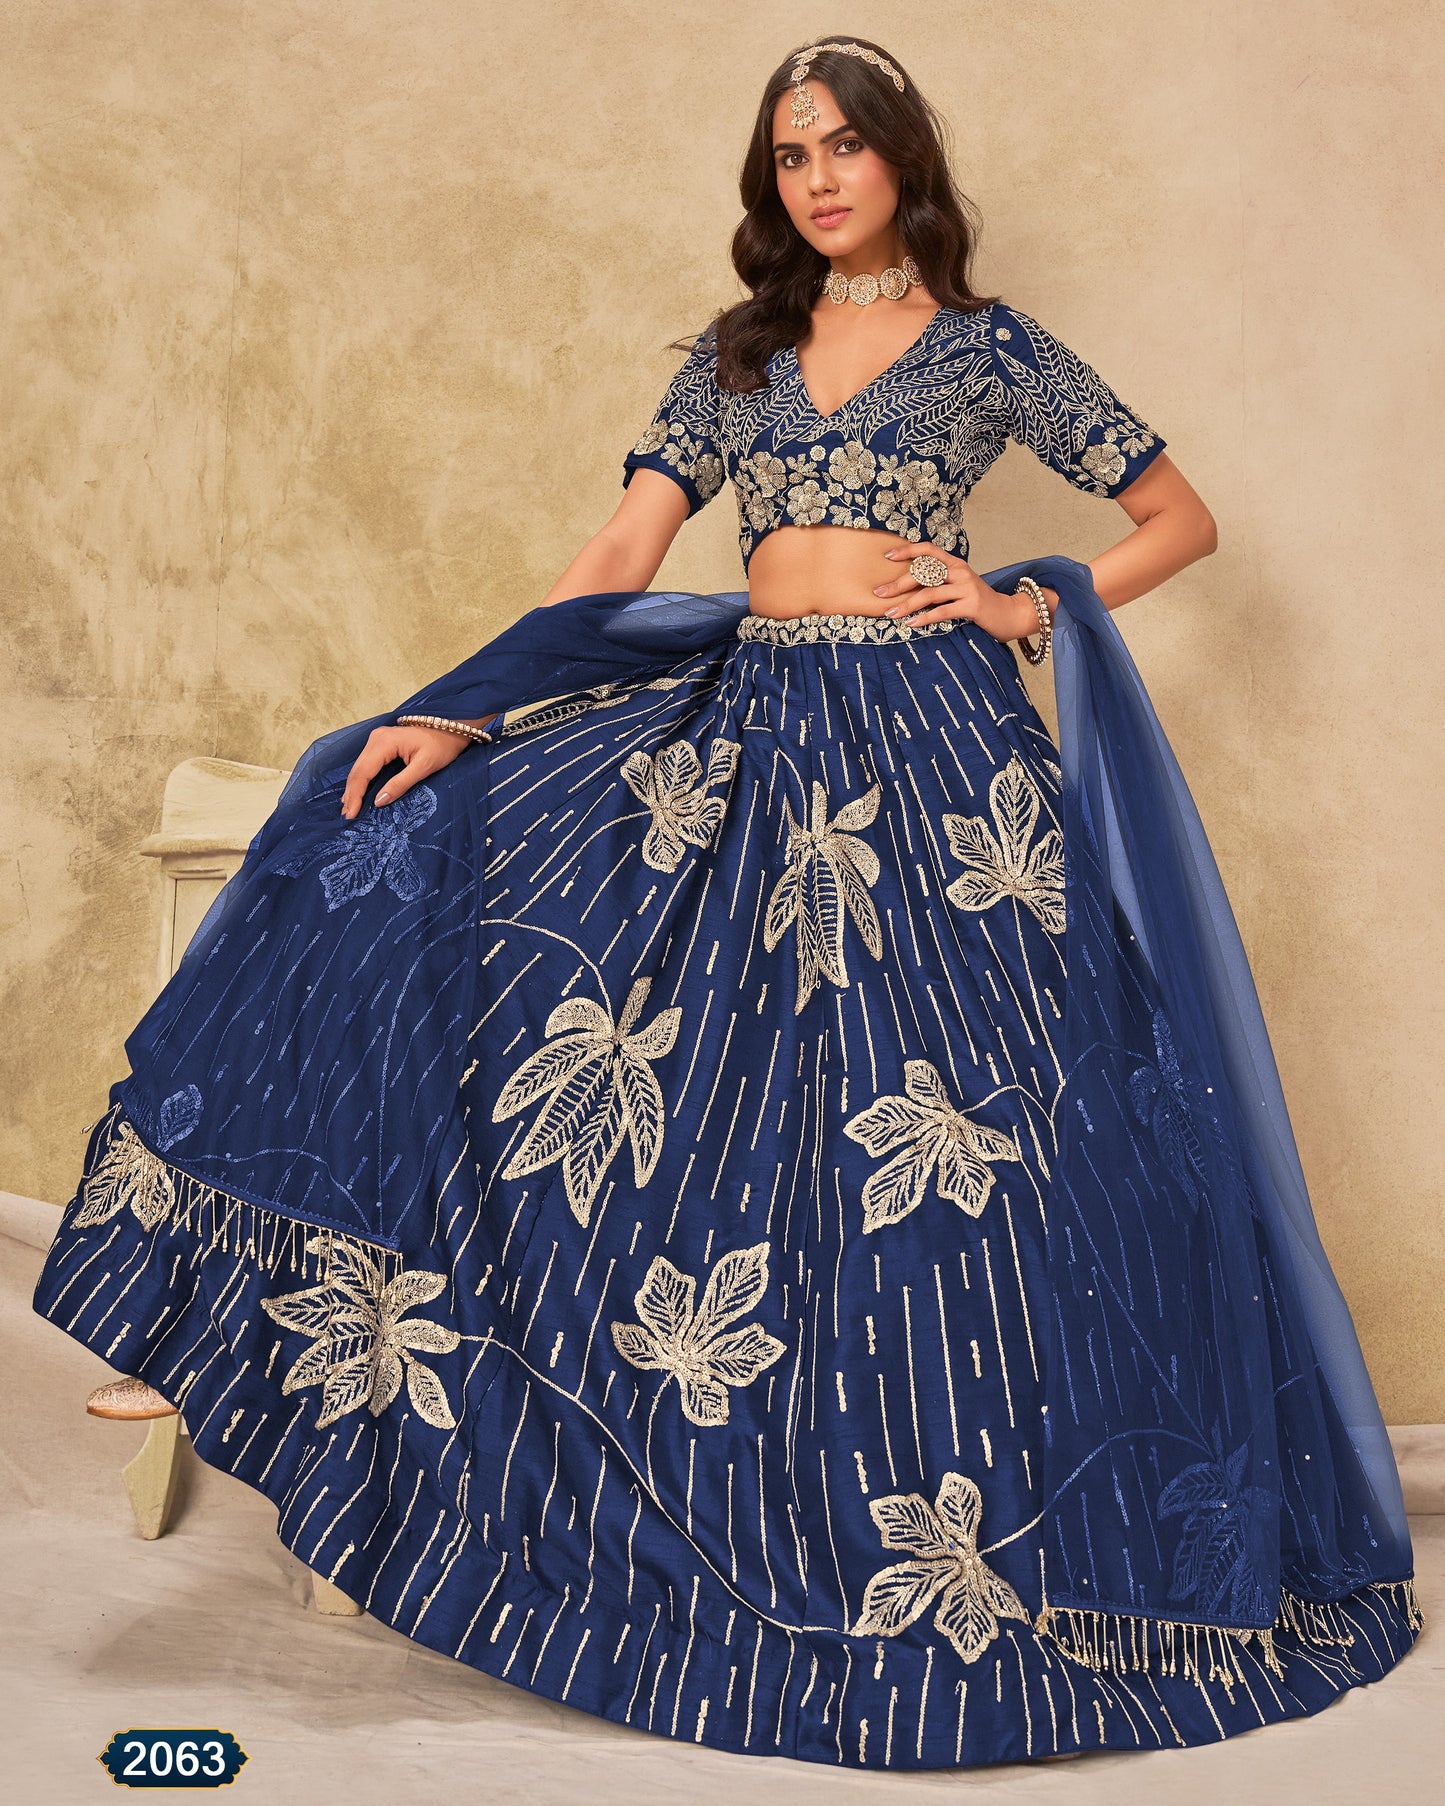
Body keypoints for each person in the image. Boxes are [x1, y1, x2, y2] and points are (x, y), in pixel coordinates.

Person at [33, 36, 1419, 1772]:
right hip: (747, 732)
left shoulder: (988, 352)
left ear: (905, 161)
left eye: (846, 146)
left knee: (963, 1147)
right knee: (553, 975)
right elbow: (621, 553)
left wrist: (1021, 596)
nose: (820, 177)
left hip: (933, 761)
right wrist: (464, 696)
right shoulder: (738, 355)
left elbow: (1175, 514)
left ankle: (979, 1547)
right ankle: (241, 1318)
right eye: (790, 157)